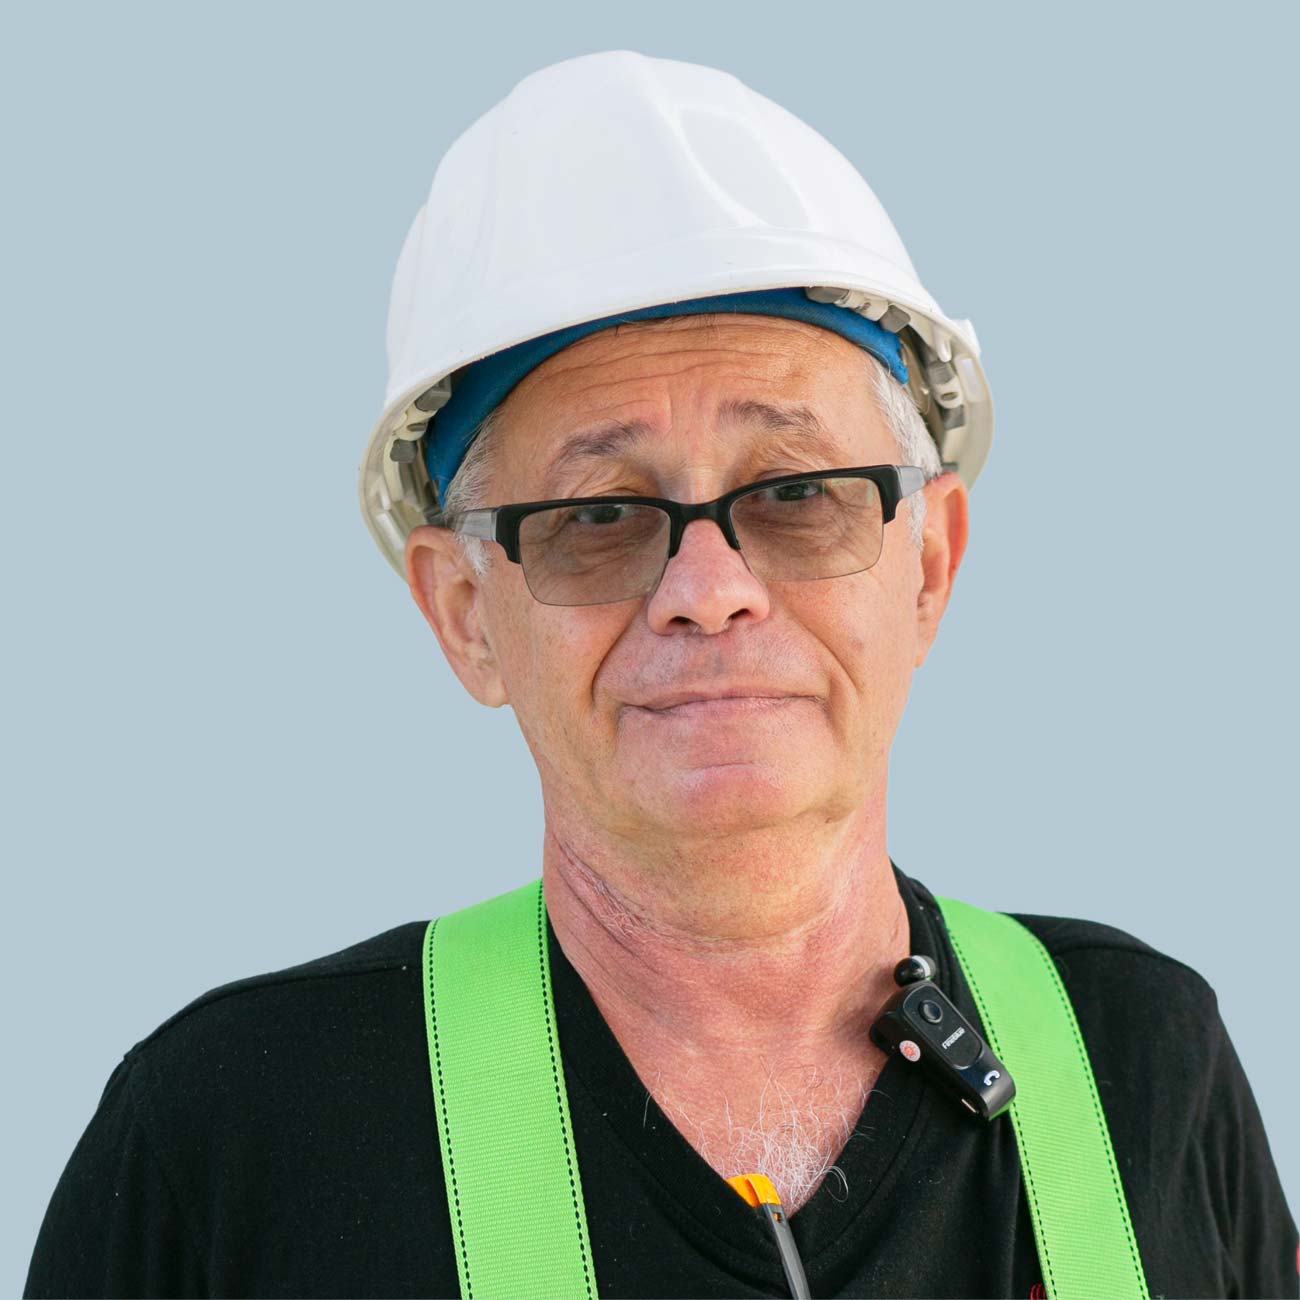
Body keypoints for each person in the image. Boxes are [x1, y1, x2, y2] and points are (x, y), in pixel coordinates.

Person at [26, 50, 1296, 1299]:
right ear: (463, 610)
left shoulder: (1143, 1067)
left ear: (928, 564)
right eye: (598, 517)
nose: (707, 586)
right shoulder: (237, 1136)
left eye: (798, 493)